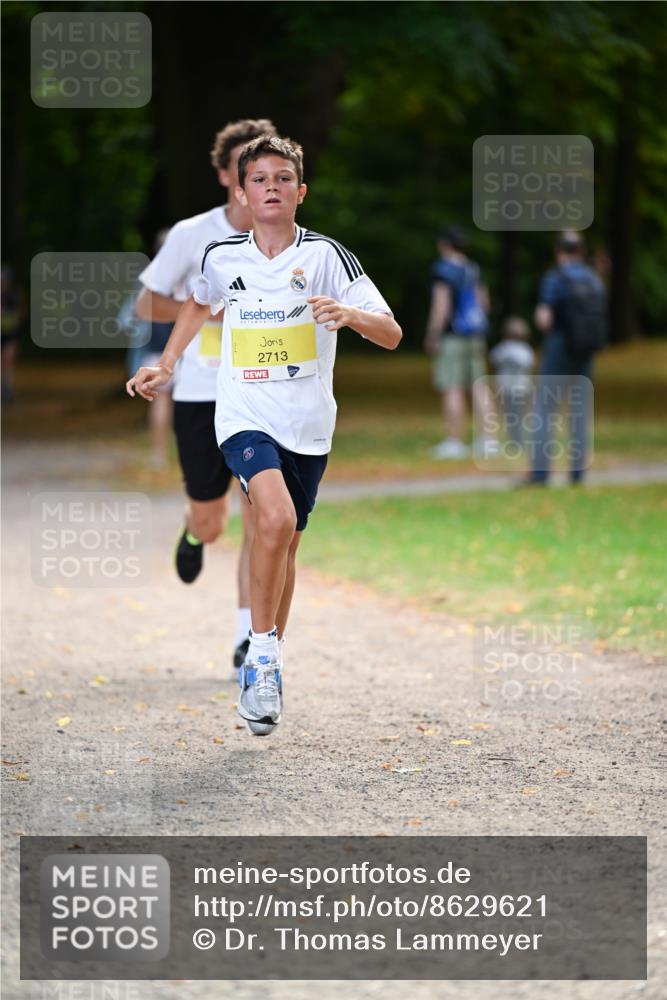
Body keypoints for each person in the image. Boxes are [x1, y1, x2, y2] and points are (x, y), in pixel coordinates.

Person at [127, 135, 402, 736]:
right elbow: (197, 307)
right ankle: (262, 657)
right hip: (243, 413)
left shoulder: (329, 256)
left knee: (287, 541)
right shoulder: (221, 256)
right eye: (259, 179)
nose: (271, 186)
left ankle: (267, 654)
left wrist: (351, 315)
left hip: (309, 424)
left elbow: (392, 333)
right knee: (271, 521)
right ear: (241, 192)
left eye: (283, 178)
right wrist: (166, 366)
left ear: (301, 192)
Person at [134, 118, 278, 669]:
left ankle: (248, 636)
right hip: (198, 392)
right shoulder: (192, 234)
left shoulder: (283, 235)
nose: (255, 176)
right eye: (243, 164)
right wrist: (211, 311)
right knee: (214, 519)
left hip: (261, 392)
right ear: (226, 174)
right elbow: (145, 304)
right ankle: (195, 531)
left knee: (261, 514)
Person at [528, 231, 607, 485]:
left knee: (545, 409)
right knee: (579, 411)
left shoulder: (556, 278)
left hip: (560, 347)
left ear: (558, 252)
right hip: (585, 351)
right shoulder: (594, 278)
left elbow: (545, 318)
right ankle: (578, 473)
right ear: (581, 251)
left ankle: (540, 474)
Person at [423, 226, 497, 459]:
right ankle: (488, 441)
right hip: (475, 335)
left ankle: (455, 442)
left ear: (444, 244)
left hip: (452, 336)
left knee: (452, 387)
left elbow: (441, 304)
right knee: (479, 386)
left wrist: (433, 333)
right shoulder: (472, 268)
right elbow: (483, 303)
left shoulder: (443, 270)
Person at [489, 316, 535, 451]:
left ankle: (516, 440)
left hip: (506, 389)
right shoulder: (526, 350)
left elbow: (493, 360)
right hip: (523, 388)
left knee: (511, 417)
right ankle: (523, 439)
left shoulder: (502, 348)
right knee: (522, 415)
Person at [1, 265, 26, 403]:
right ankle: (3, 386)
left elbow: (23, 315)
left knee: (8, 360)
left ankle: (8, 388)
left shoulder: (16, 295)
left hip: (11, 334)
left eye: (5, 280)